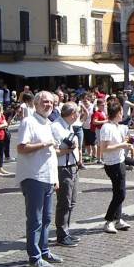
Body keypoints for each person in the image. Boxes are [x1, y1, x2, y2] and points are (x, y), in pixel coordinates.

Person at [16, 91, 63, 267]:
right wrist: (44, 144)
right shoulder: (29, 122)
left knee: (46, 219)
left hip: (48, 178)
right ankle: (34, 257)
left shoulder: (49, 123)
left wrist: (55, 178)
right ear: (36, 104)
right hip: (33, 176)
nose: (48, 105)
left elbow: (51, 155)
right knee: (35, 219)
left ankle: (44, 251)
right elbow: (21, 147)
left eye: (51, 102)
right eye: (44, 102)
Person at [51, 102, 82, 247]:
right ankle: (61, 235)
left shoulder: (68, 125)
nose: (78, 116)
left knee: (72, 201)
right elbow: (53, 151)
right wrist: (67, 150)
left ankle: (66, 231)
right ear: (72, 114)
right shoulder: (56, 127)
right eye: (77, 113)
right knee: (64, 202)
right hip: (62, 167)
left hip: (72, 166)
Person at [100, 101, 133, 233]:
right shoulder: (106, 127)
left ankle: (118, 220)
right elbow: (104, 148)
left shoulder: (117, 126)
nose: (123, 115)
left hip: (120, 161)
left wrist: (126, 142)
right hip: (112, 164)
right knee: (120, 194)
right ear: (118, 113)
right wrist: (122, 145)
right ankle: (108, 221)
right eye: (121, 112)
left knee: (119, 192)